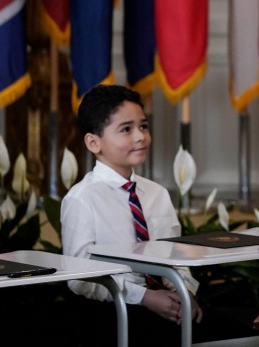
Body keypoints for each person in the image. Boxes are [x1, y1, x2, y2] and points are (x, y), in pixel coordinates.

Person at [61, 85, 237, 346]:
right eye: (126, 129)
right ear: (93, 142)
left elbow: (175, 255)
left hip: (167, 298)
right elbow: (79, 278)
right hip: (116, 308)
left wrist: (185, 293)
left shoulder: (156, 193)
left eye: (143, 126)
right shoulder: (82, 198)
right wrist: (144, 297)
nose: (140, 136)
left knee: (240, 333)